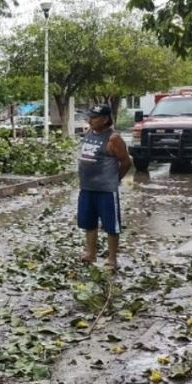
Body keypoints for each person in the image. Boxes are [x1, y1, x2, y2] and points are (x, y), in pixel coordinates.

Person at [77, 103, 132, 269]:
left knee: (111, 225)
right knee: (89, 223)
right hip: (87, 188)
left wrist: (115, 179)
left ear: (105, 119)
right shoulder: (89, 133)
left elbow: (126, 162)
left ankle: (112, 258)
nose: (90, 120)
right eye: (90, 117)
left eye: (94, 117)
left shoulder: (113, 138)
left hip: (106, 190)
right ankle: (90, 253)